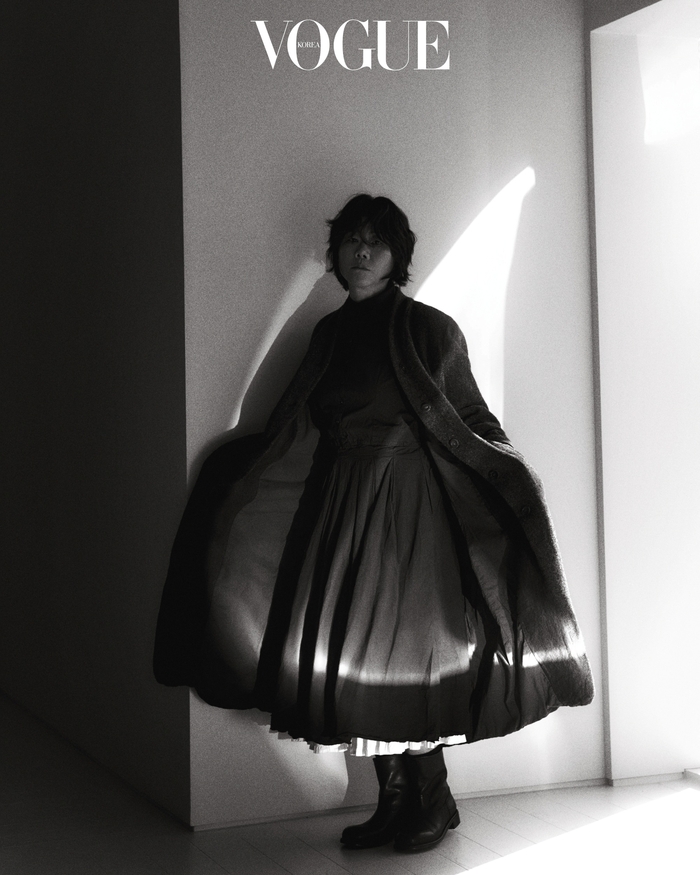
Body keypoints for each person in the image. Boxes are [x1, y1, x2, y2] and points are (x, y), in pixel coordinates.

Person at [153, 194, 594, 853]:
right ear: (335, 253)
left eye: (376, 243)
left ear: (397, 257)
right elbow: (295, 425)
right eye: (351, 241)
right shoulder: (330, 335)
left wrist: (508, 475)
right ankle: (393, 802)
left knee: (404, 657)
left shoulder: (429, 330)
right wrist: (237, 473)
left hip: (410, 513)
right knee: (356, 661)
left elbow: (470, 417)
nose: (361, 253)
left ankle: (433, 799)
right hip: (342, 505)